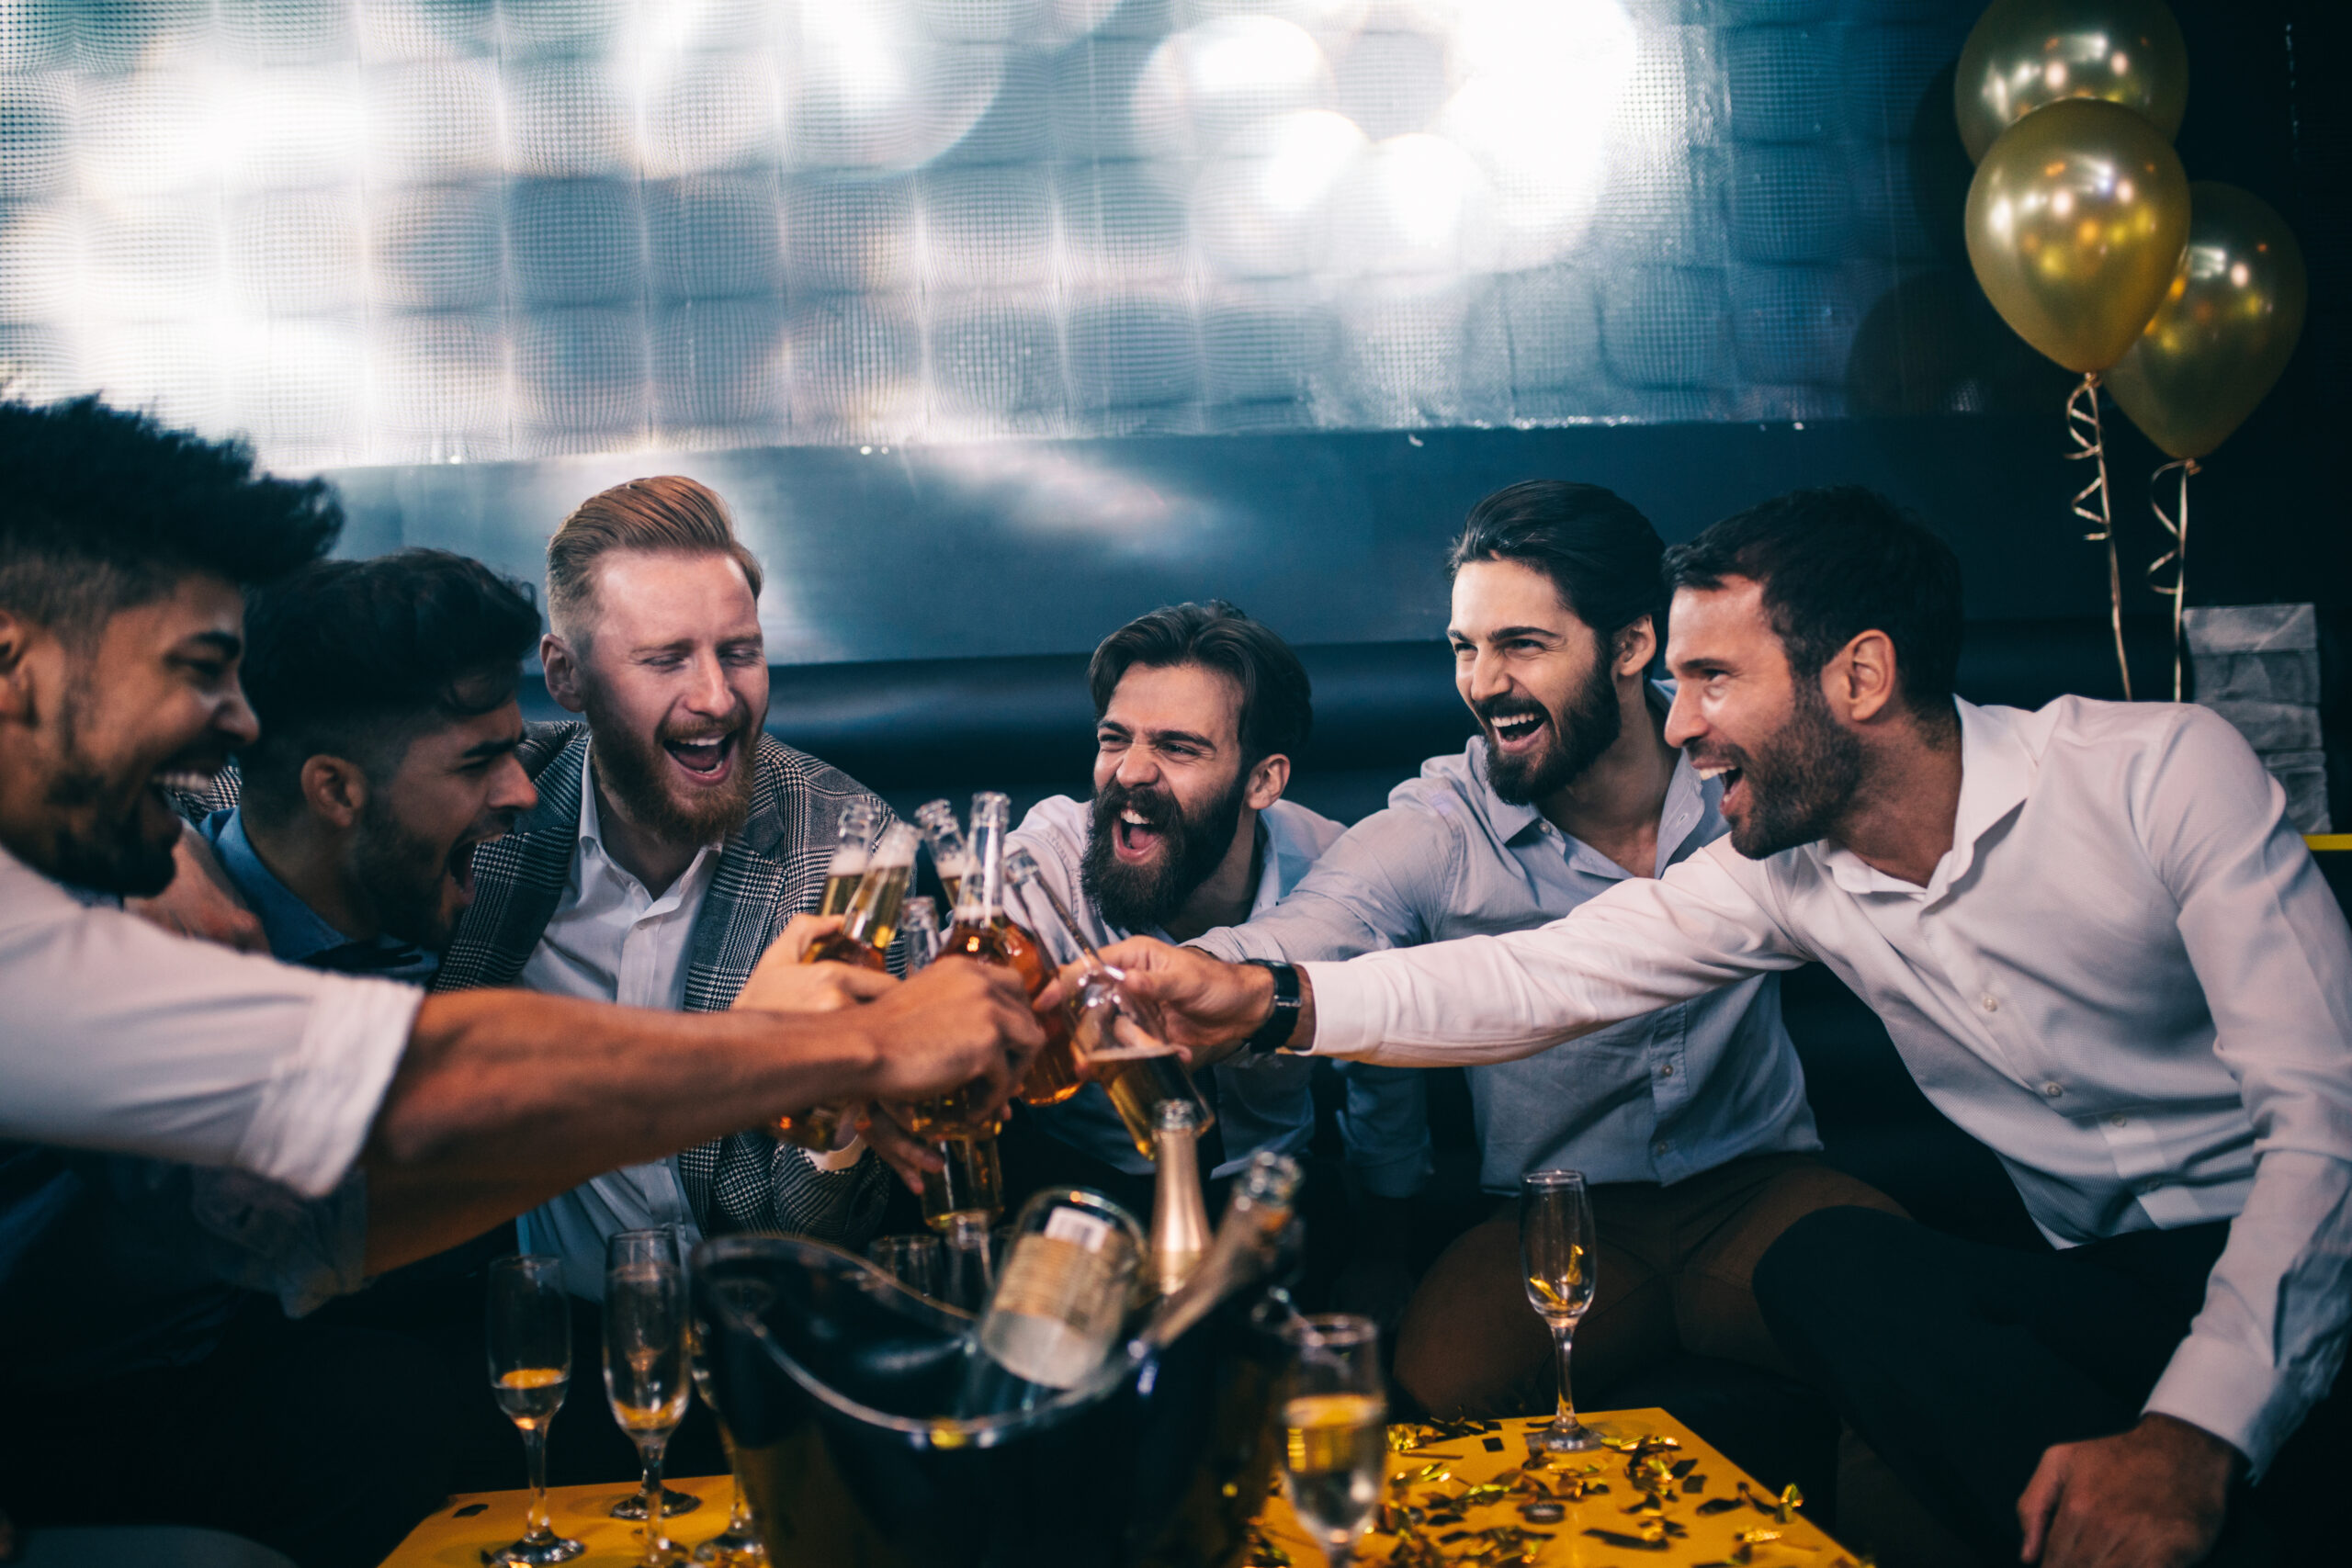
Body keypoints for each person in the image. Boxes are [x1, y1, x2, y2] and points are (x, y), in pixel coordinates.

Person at [1084, 487, 2352, 1568]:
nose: (1680, 720)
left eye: (1710, 679)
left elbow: (2327, 1131)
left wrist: (2196, 1429)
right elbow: (1537, 978)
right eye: (1675, 679)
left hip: (2293, 1245)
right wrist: (1266, 995)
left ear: (1858, 674)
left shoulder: (2162, 769)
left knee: (1853, 1267)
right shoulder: (1774, 862)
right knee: (1838, 1274)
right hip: (2079, 1283)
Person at [0, 393, 1042, 1279]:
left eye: (740, 652)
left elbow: (328, 1236)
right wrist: (832, 1046)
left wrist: (159, 848)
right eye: (194, 669)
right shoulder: (57, 923)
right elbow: (415, 1084)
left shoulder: (847, 849)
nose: (236, 718)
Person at [1187, 481, 1896, 1417]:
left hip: (1761, 1190)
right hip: (1553, 1217)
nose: (1482, 684)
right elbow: (1301, 933)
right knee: (1423, 1405)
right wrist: (1169, 981)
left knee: (1919, 1349)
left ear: (1631, 646)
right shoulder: (1440, 826)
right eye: (1464, 650)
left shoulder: (1749, 780)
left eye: (1521, 645)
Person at [0, 548, 546, 1566]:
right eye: (481, 763)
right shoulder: (116, 946)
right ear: (335, 790)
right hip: (79, 1410)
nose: (521, 791)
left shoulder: (402, 884)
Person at [433, 475, 901, 1300]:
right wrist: (187, 859)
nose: (717, 697)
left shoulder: (842, 849)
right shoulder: (491, 806)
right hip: (531, 1344)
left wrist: (833, 1102)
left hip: (750, 1342)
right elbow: (255, 788)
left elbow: (820, 1239)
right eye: (666, 659)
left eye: (739, 652)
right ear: (567, 674)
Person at [973, 602, 1420, 1231]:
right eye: (1114, 738)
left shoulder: (1332, 867)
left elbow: (1386, 1065)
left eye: (1177, 748)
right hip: (1085, 1197)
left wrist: (1384, 1243)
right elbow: (952, 1022)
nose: (1129, 771)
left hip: (1275, 1195)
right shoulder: (1037, 869)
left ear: (1262, 781)